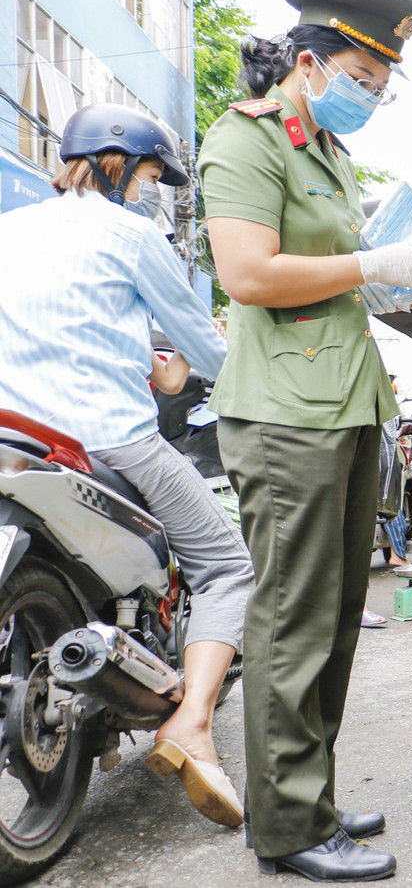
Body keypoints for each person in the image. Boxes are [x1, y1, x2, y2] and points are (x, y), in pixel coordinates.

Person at [199, 0, 412, 881]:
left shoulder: (329, 151)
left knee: (333, 623)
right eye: (361, 75)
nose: (370, 91)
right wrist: (370, 261)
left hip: (348, 401)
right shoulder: (245, 138)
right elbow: (250, 273)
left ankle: (306, 797)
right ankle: (287, 825)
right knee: (293, 620)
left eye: (381, 82)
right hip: (286, 411)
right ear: (310, 64)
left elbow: (343, 284)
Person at [0, 103, 252, 828]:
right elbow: (208, 349)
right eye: (146, 175)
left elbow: (61, 322)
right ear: (117, 165)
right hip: (109, 438)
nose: (147, 190)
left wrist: (149, 363)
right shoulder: (131, 233)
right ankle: (192, 723)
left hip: (21, 436)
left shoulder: (12, 226)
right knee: (227, 566)